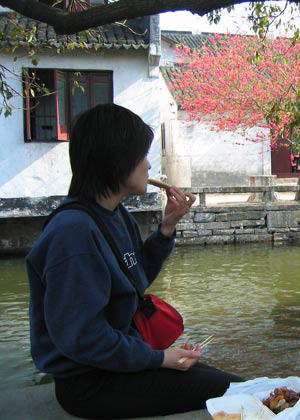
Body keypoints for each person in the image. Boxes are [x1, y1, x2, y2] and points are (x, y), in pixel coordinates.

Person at [26, 104, 243, 419]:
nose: (148, 165)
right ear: (116, 161)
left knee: (235, 385)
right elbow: (83, 337)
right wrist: (160, 358)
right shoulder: (72, 233)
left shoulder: (115, 215)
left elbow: (135, 278)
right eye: (141, 155)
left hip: (120, 362)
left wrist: (167, 227)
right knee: (238, 392)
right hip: (90, 382)